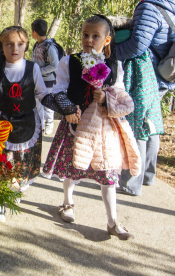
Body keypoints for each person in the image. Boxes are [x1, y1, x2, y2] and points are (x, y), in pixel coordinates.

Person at [42, 15, 136, 240]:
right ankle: (67, 203)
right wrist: (67, 109)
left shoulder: (114, 65)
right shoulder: (70, 61)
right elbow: (59, 89)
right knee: (72, 169)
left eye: (96, 36)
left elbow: (120, 94)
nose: (89, 40)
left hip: (103, 129)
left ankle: (112, 221)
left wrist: (105, 97)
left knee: (108, 174)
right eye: (85, 35)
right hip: (76, 124)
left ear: (106, 40)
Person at [0, 26, 63, 222]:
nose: (14, 48)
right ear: (2, 46)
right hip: (1, 126)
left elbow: (43, 95)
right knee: (0, 165)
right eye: (9, 44)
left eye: (20, 44)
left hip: (28, 124)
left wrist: (64, 109)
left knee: (20, 164)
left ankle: (10, 194)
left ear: (26, 46)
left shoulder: (33, 69)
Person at [115, 0, 175, 195]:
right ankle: (148, 175)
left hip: (145, 76)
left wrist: (110, 53)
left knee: (136, 126)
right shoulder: (170, 6)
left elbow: (137, 44)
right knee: (150, 125)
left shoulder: (149, 6)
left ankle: (130, 182)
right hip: (163, 75)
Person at [31, 19, 60, 135]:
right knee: (38, 101)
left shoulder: (49, 47)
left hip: (48, 80)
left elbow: (55, 64)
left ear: (35, 32)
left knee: (48, 103)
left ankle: (49, 123)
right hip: (38, 79)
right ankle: (41, 124)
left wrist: (40, 71)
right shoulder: (37, 45)